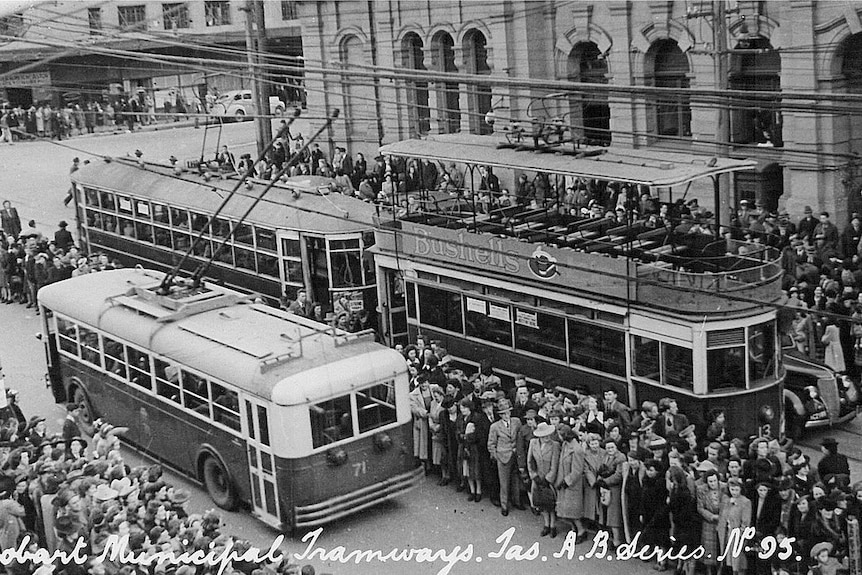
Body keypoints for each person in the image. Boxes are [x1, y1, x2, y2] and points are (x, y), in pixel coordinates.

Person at [487, 399, 522, 516]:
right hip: (503, 457)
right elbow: (491, 444)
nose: (506, 416)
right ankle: (504, 505)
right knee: (504, 483)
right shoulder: (495, 427)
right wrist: (497, 457)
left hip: (515, 455)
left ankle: (517, 501)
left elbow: (519, 436)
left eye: (507, 413)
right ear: (500, 415)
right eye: (503, 414)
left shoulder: (516, 422)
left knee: (516, 480)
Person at [528, 422, 560, 537]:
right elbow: (530, 461)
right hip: (537, 478)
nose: (547, 437)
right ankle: (546, 525)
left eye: (548, 434)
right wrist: (534, 476)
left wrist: (548, 479)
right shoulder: (533, 443)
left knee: (550, 502)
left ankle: (553, 526)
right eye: (544, 435)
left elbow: (554, 465)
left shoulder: (555, 445)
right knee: (541, 503)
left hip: (548, 480)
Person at [718, 478, 752, 575]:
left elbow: (746, 522)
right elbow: (722, 517)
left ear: (741, 489)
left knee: (738, 560)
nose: (734, 492)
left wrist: (740, 535)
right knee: (728, 560)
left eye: (736, 489)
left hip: (737, 535)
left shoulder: (745, 502)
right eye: (732, 489)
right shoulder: (726, 501)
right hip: (726, 534)